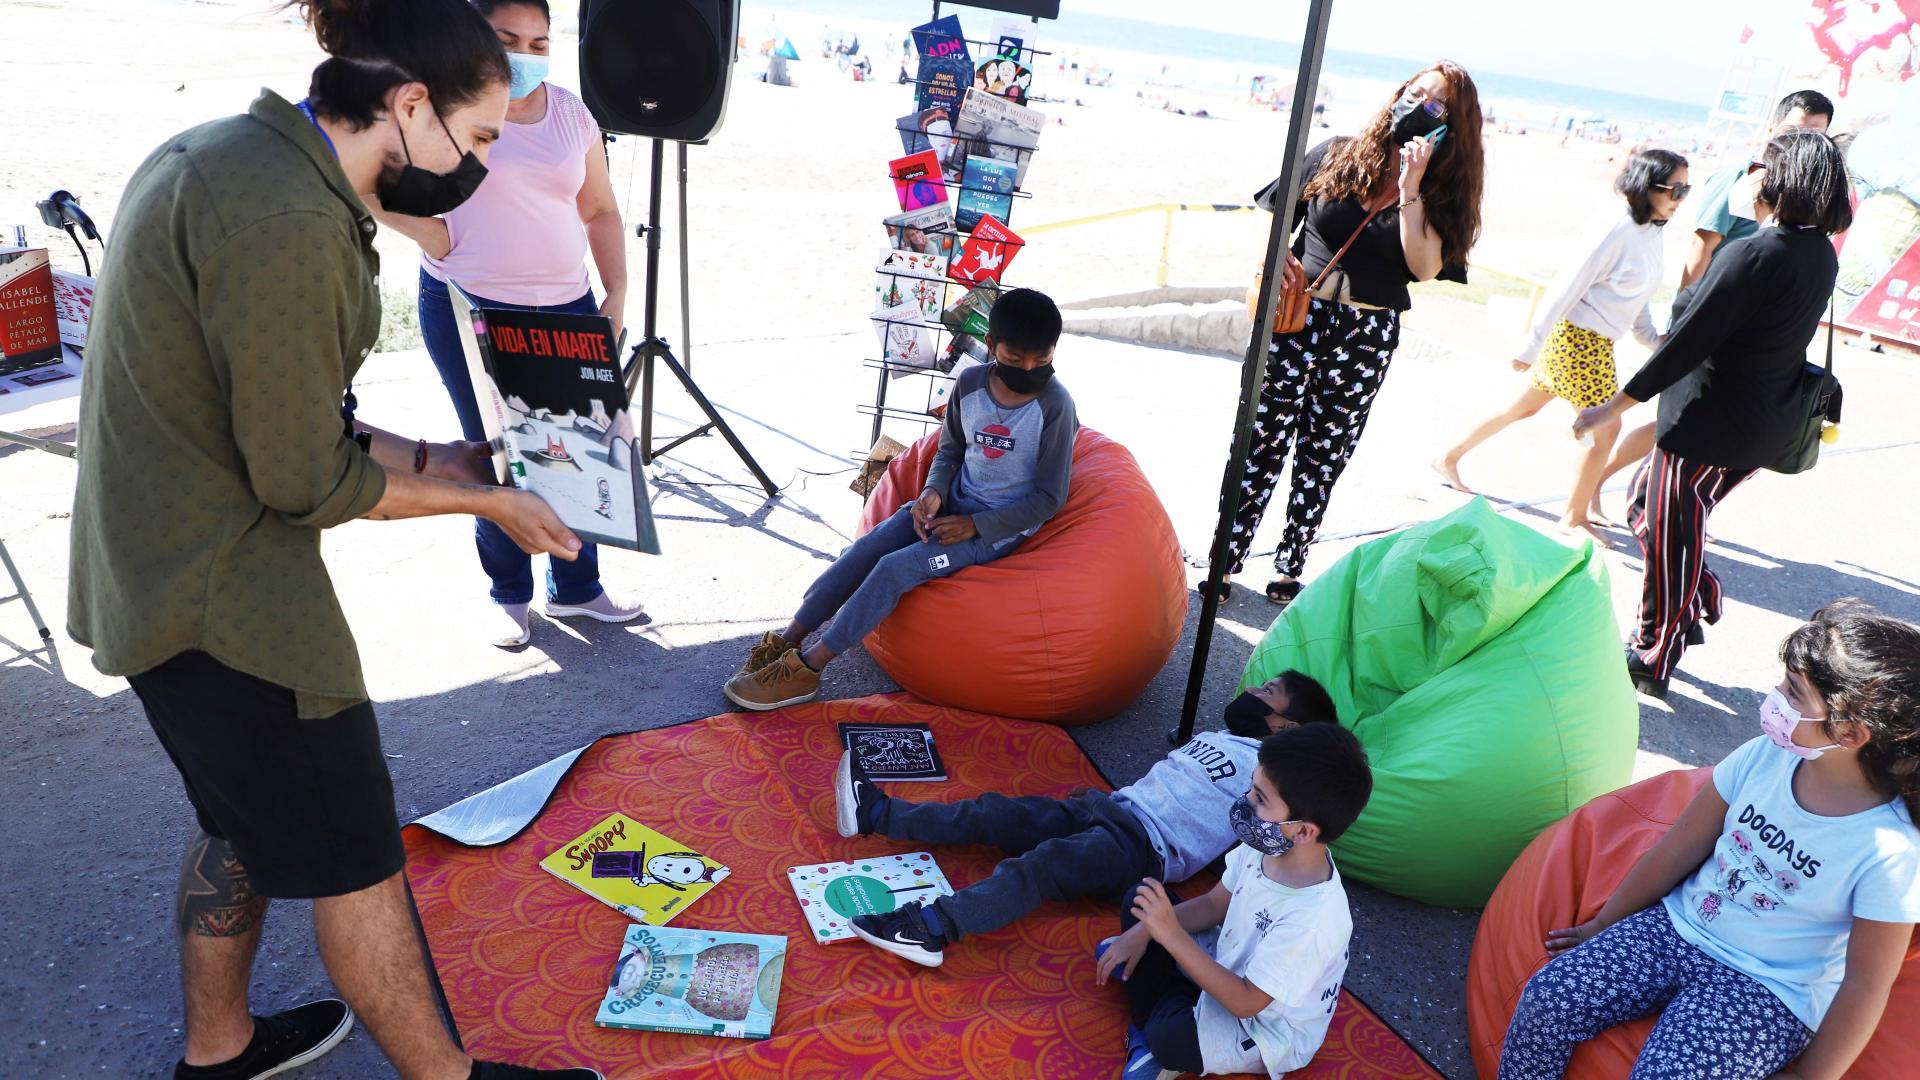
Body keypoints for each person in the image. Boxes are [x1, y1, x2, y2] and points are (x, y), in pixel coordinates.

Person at [65, 2, 596, 1077]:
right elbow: (305, 479)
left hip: (153, 571)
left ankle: (220, 1053)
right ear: (408, 106)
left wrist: (441, 457)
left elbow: (286, 406)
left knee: (241, 817)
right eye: (480, 139)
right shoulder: (294, 227)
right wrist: (491, 507)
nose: (482, 170)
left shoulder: (228, 153)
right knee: (359, 855)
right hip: (224, 600)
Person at [1498, 600, 1920, 1080]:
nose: (1775, 698)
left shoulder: (1889, 851)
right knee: (1548, 999)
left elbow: (1867, 983)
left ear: (1850, 733)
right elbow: (1678, 848)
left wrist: (1812, 1075)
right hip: (1676, 928)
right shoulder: (1762, 757)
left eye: (1793, 693)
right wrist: (1604, 923)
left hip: (1767, 989)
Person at [376, 0, 640, 650]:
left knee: (576, 456)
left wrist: (618, 292)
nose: (526, 54)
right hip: (472, 310)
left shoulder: (572, 114)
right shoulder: (439, 111)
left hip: (568, 307)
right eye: (508, 38)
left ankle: (578, 590)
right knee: (495, 458)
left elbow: (601, 208)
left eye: (540, 41)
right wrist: (447, 248)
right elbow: (388, 196)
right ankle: (509, 594)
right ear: (474, 35)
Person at [1573, 130, 1853, 698]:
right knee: (1647, 511)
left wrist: (1612, 406)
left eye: (1760, 170)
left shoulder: (1755, 252)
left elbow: (1687, 338)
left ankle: (1654, 652)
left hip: (1708, 423)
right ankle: (1695, 594)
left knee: (1671, 534)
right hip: (1759, 423)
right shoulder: (1817, 251)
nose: (1750, 178)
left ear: (1780, 180)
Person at [722, 289, 1076, 710]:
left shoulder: (1055, 405)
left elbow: (1049, 498)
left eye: (1042, 360)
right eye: (1016, 360)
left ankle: (808, 669)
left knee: (894, 567)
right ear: (993, 346)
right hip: (951, 507)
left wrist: (976, 526)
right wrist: (932, 492)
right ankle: (787, 640)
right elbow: (950, 451)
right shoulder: (970, 384)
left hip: (996, 531)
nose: (1029, 369)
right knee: (864, 551)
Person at [836, 672, 1339, 966]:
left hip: (1143, 848)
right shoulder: (1224, 737)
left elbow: (1273, 838)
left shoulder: (1273, 780)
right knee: (997, 814)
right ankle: (879, 813)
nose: (1252, 689)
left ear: (1285, 726)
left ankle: (931, 928)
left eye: (1267, 691)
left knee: (1042, 865)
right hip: (1109, 807)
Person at [1225, 62, 1485, 606]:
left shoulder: (1443, 196)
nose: (1415, 106)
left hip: (1365, 332)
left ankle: (1290, 560)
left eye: (1434, 105)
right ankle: (1227, 555)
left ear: (1453, 127)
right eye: (1411, 92)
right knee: (1260, 437)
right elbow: (1278, 211)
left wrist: (1412, 187)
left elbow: (1424, 267)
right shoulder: (1341, 152)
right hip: (1296, 316)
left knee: (1325, 450)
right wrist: (1275, 267)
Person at [1431, 149, 1690, 541]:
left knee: (1523, 408)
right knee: (1605, 427)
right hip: (1578, 338)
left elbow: (1638, 299)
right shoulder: (1614, 228)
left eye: (1685, 191)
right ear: (1645, 186)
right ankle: (1574, 515)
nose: (1679, 199)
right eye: (1674, 190)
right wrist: (1530, 345)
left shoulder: (1652, 232)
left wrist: (1654, 341)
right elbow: (1568, 285)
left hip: (1597, 343)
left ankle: (1447, 457)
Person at [1094, 723, 1374, 1079]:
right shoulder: (1266, 847)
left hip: (1261, 1027)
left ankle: (1154, 1033)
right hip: (1230, 957)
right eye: (1252, 787)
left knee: (1171, 1038)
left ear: (1303, 831)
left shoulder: (1313, 920)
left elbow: (1246, 1003)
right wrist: (1145, 932)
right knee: (1141, 901)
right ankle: (1170, 991)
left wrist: (1168, 937)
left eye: (1260, 798)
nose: (1246, 802)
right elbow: (1213, 905)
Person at [1599, 91, 1835, 501]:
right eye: (1795, 129)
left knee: (1680, 427)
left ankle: (1653, 498)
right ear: (1772, 128)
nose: (1802, 141)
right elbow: (1701, 247)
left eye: (1815, 134)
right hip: (1712, 316)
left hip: (1738, 333)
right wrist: (1686, 315)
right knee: (1672, 421)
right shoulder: (1743, 179)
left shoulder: (1802, 221)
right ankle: (1611, 490)